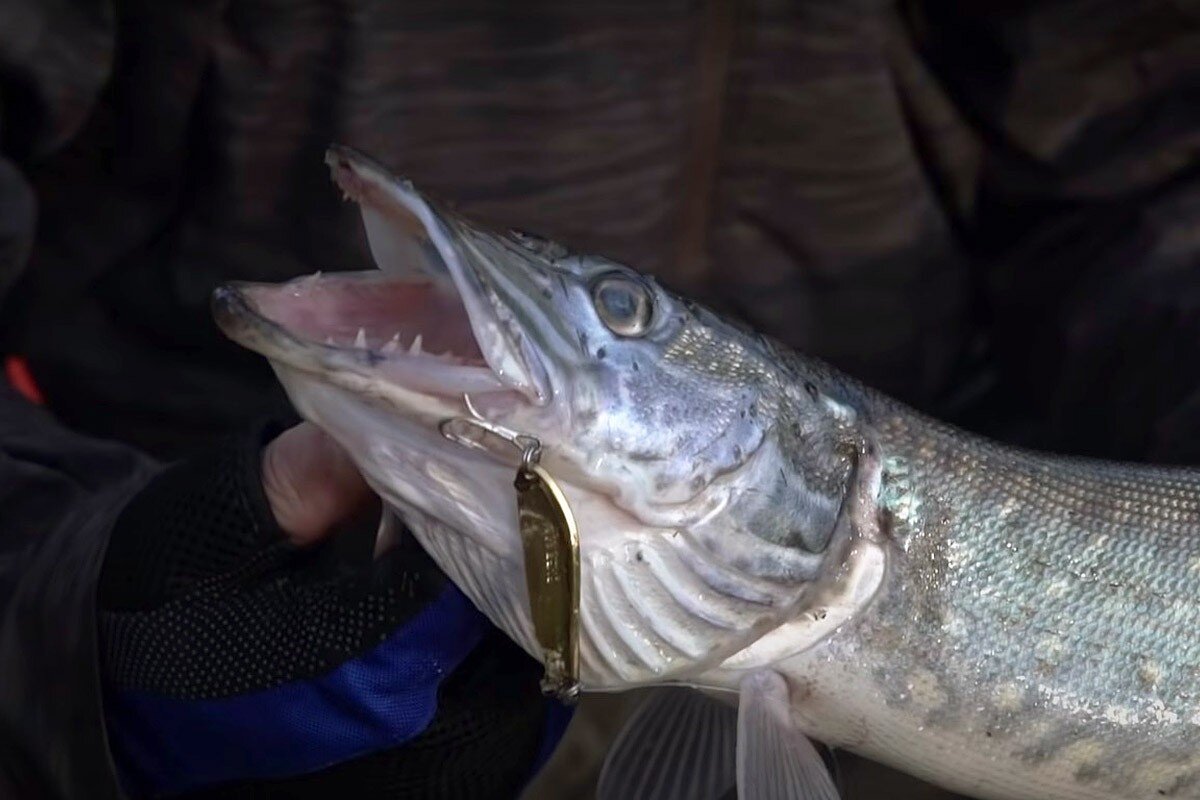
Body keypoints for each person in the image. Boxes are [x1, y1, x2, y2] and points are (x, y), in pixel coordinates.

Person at [2, 2, 1197, 799]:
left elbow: (1142, 163)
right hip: (220, 565)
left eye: (625, 314)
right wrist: (55, 604)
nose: (615, 316)